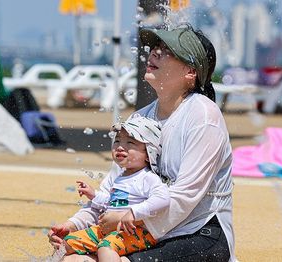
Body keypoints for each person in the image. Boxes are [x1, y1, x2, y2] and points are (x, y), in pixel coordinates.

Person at [48, 24, 235, 262]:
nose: (154, 53)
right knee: (69, 258)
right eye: (155, 47)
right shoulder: (139, 119)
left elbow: (185, 197)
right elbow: (115, 190)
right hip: (143, 231)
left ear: (190, 71)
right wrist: (74, 225)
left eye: (167, 50)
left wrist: (130, 218)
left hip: (199, 233)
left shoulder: (203, 117)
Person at [60, 116, 170, 261]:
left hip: (135, 233)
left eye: (130, 143)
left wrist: (134, 213)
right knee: (67, 243)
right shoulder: (120, 176)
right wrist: (94, 195)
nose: (120, 147)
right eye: (117, 141)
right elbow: (114, 203)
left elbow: (163, 199)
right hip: (109, 231)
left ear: (149, 154)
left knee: (105, 248)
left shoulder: (147, 178)